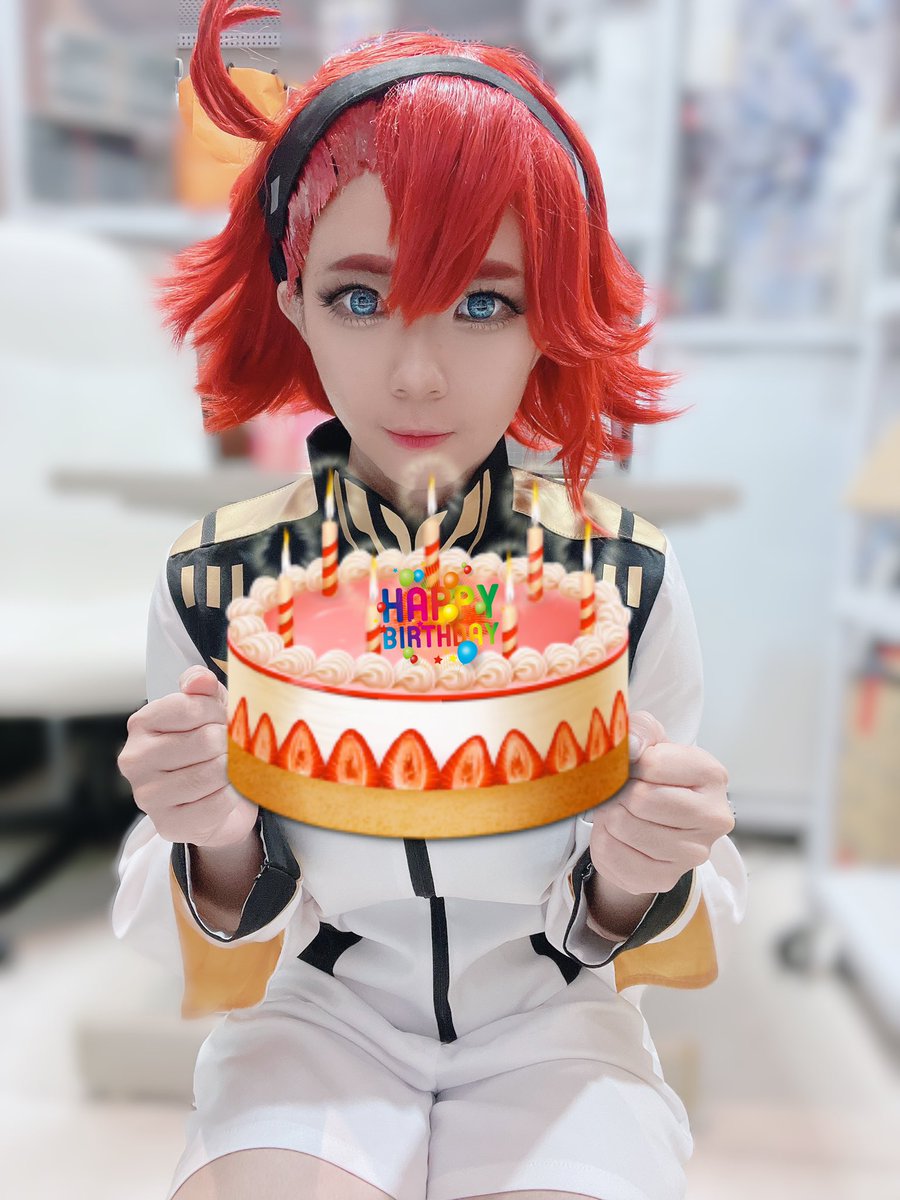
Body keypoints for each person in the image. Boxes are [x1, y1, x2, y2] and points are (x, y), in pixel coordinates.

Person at [113, 3, 748, 1198]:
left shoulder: (626, 579)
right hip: (319, 1014)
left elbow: (642, 915)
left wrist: (642, 861)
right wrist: (211, 834)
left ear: (551, 317)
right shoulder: (215, 584)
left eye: (483, 302)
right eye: (361, 298)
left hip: (559, 1021)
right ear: (294, 303)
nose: (417, 373)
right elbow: (218, 934)